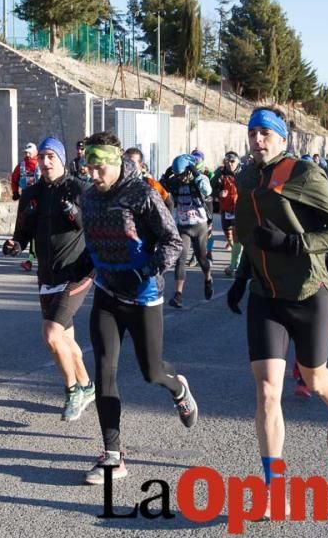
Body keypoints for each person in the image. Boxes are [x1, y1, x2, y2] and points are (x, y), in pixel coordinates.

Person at [226, 106, 328, 508]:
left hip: (308, 291)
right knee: (267, 391)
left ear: (282, 139)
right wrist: (244, 277)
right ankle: (272, 487)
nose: (258, 140)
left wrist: (295, 244)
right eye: (252, 133)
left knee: (314, 380)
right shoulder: (246, 177)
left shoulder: (303, 174)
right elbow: (253, 237)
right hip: (266, 295)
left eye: (266, 133)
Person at [79, 131, 197, 485]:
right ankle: (113, 456)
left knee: (151, 372)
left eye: (100, 168)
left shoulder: (142, 194)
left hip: (143, 294)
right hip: (106, 293)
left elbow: (172, 240)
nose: (94, 175)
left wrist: (147, 269)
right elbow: (92, 242)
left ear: (115, 164)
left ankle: (178, 388)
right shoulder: (89, 198)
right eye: (89, 168)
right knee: (104, 371)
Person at [3, 137, 96, 421]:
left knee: (51, 334)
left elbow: (94, 227)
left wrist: (75, 213)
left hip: (77, 272)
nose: (45, 162)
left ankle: (72, 392)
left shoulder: (81, 189)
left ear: (62, 159)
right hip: (47, 274)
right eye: (42, 156)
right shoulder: (31, 192)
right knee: (66, 338)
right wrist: (15, 245)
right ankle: (88, 385)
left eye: (50, 156)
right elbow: (22, 234)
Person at [161, 154, 214, 307]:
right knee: (180, 259)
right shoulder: (175, 182)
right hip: (182, 226)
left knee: (202, 258)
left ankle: (208, 278)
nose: (181, 178)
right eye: (178, 175)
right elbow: (159, 189)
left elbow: (207, 190)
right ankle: (178, 295)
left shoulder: (200, 179)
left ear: (190, 170)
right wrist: (167, 175)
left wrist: (196, 174)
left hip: (199, 225)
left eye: (183, 174)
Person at [11, 143, 42, 272]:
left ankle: (35, 258)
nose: (27, 154)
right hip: (25, 197)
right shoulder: (21, 165)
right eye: (25, 152)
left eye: (29, 152)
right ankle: (28, 257)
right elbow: (14, 178)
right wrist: (15, 192)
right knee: (25, 225)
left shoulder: (39, 164)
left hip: (38, 198)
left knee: (38, 228)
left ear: (35, 153)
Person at [212, 152, 243, 277]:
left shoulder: (244, 173)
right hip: (226, 210)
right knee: (228, 236)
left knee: (236, 237)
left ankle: (234, 264)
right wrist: (219, 193)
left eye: (232, 161)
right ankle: (237, 255)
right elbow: (211, 188)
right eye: (227, 161)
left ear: (238, 162)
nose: (230, 164)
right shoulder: (221, 173)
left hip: (239, 209)